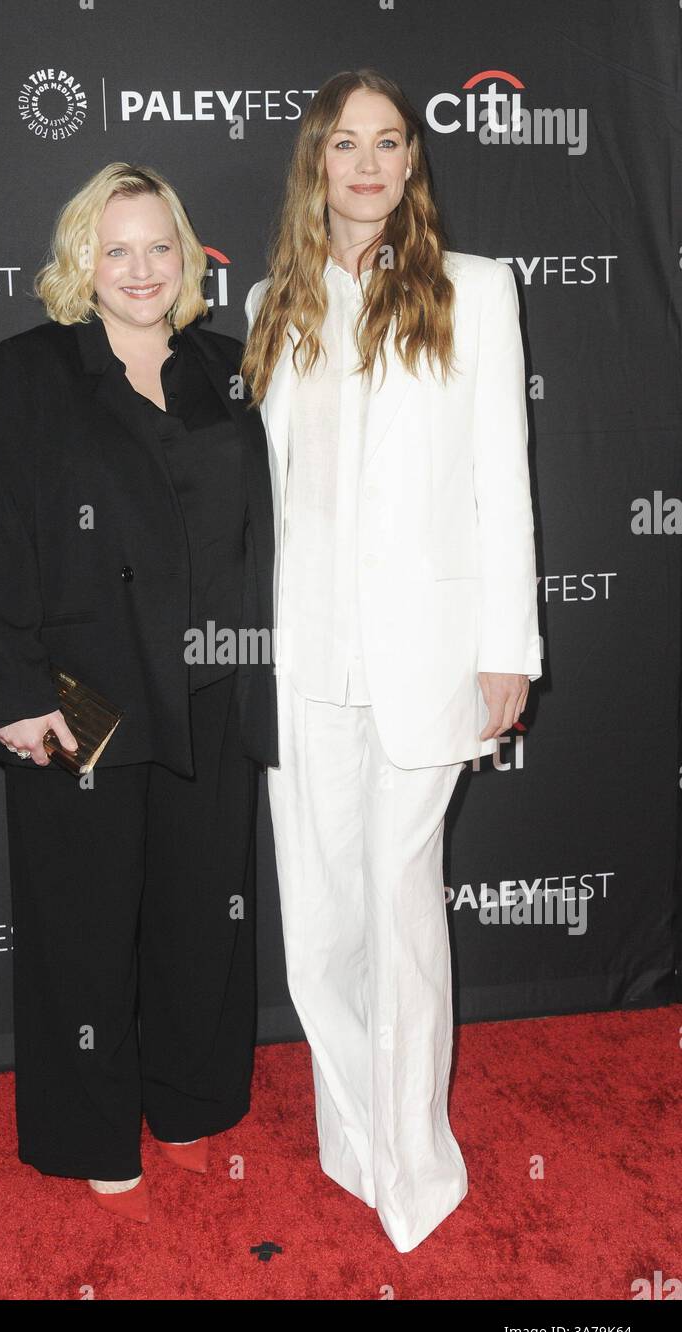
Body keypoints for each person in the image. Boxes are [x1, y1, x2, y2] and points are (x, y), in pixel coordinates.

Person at [242, 69, 542, 1252]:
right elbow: (271, 497)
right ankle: (354, 1138)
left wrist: (508, 647)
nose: (367, 164)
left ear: (413, 163)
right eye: (345, 144)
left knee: (400, 912)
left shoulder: (475, 291)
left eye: (389, 143)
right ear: (317, 162)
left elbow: (500, 481)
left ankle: (416, 1168)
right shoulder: (276, 299)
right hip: (306, 659)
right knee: (317, 923)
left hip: (428, 661)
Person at [0, 162, 277, 1223]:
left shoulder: (229, 370)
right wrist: (12, 689)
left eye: (159, 247)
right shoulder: (33, 368)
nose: (141, 269)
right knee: (82, 921)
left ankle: (189, 1099)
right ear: (80, 263)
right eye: (116, 249)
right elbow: (0, 535)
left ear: (188, 257)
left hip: (211, 686)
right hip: (79, 691)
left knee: (202, 910)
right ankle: (91, 1128)